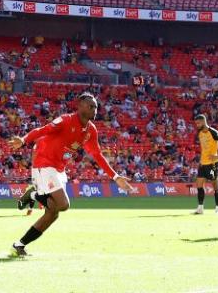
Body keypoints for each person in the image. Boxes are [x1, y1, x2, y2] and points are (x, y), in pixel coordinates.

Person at [8, 92, 133, 256]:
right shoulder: (66, 120)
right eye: (91, 106)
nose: (95, 109)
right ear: (80, 106)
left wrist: (115, 177)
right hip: (44, 162)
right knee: (64, 204)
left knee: (53, 213)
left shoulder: (91, 130)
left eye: (96, 106)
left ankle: (19, 245)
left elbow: (97, 155)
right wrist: (24, 140)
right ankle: (33, 195)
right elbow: (42, 130)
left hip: (59, 168)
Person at [192, 114, 218, 215]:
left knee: (215, 185)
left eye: (198, 123)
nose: (197, 125)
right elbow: (204, 148)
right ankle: (200, 208)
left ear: (203, 122)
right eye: (196, 123)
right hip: (203, 163)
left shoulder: (213, 132)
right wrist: (200, 161)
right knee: (199, 185)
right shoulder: (199, 132)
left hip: (212, 164)